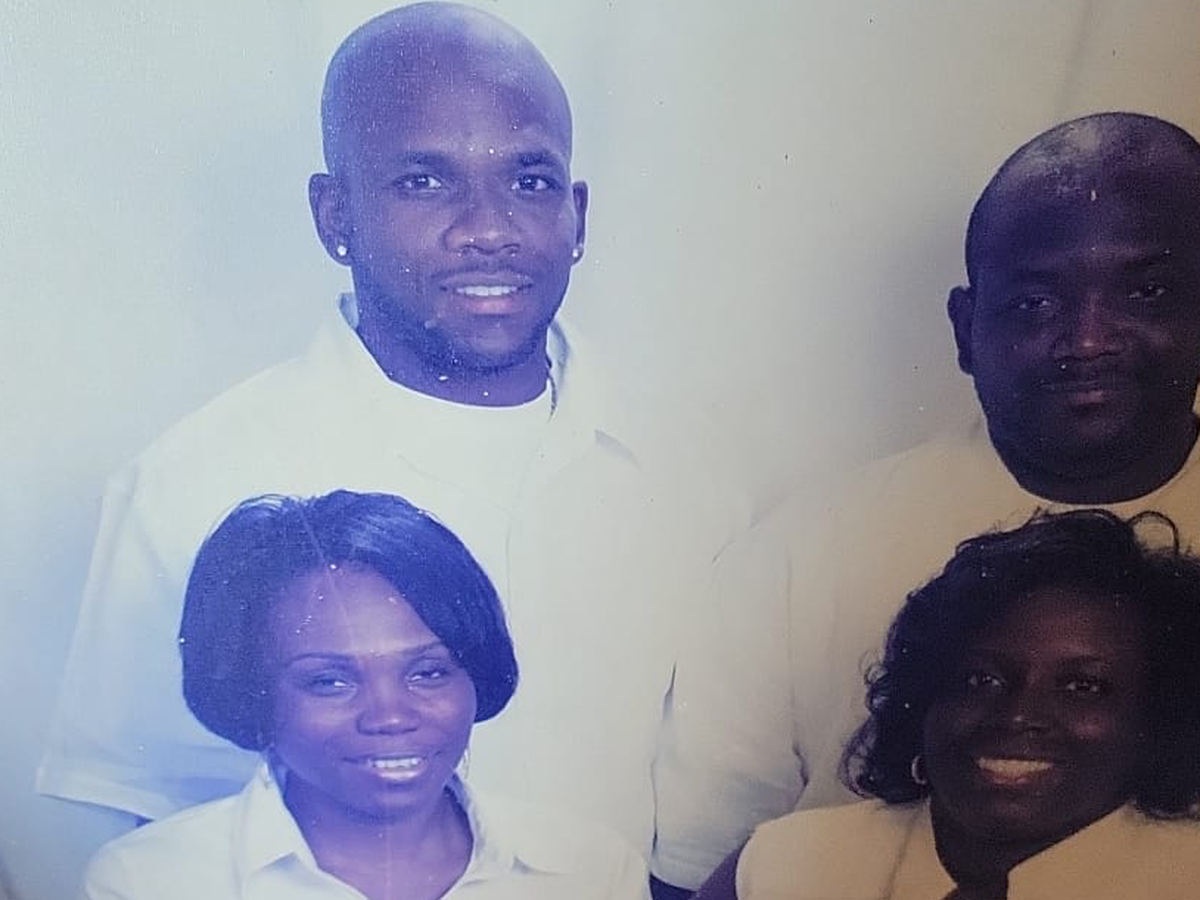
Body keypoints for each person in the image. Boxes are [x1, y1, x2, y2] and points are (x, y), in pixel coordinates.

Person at [40, 0, 739, 872]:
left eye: (529, 182)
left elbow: (707, 829)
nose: (489, 229)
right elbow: (124, 812)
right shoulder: (194, 481)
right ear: (335, 216)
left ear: (578, 214)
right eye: (424, 182)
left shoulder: (691, 472)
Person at [652, 111, 1200, 888]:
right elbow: (700, 868)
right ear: (965, 328)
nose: (1087, 340)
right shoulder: (801, 554)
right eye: (1034, 303)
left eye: (1146, 291)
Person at [81, 490, 650, 900]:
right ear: (251, 693)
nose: (391, 715)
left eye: (428, 672)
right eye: (329, 681)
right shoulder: (150, 882)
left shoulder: (590, 869)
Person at [696, 509, 1200, 900]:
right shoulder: (783, 866)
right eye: (982, 679)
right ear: (924, 696)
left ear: (1158, 719)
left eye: (1082, 687)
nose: (1019, 715)